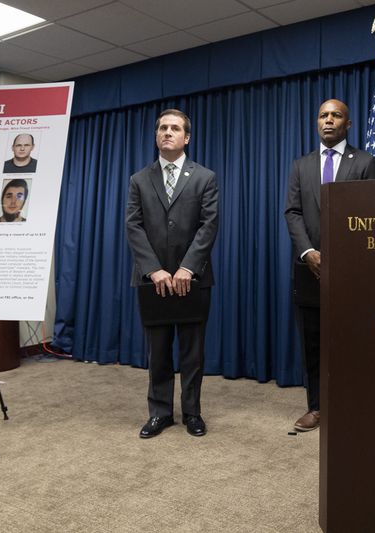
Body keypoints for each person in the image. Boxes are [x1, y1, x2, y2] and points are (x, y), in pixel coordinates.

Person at [284, 99, 375, 432]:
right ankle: (317, 407)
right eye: (323, 115)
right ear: (317, 122)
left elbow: (373, 215)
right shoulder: (300, 165)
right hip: (308, 270)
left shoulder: (366, 162)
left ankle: (353, 405)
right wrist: (308, 252)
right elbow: (292, 213)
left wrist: (346, 255)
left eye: (336, 115)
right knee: (312, 343)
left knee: (351, 340)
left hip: (352, 272)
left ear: (348, 124)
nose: (329, 120)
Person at [126, 109, 219, 439]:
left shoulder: (204, 177)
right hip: (153, 282)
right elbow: (133, 226)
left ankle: (192, 412)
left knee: (193, 352)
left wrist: (186, 267)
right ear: (156, 136)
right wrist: (154, 270)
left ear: (186, 137)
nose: (168, 132)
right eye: (162, 127)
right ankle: (160, 413)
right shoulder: (139, 179)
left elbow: (209, 226)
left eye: (175, 128)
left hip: (193, 279)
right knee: (159, 350)